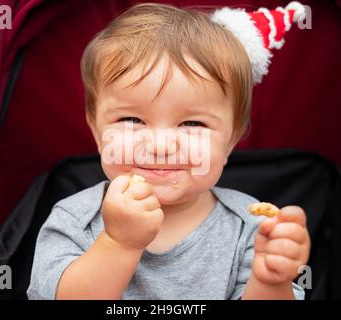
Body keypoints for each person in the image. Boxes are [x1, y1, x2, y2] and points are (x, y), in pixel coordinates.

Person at [27, 2, 310, 300]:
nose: (161, 146)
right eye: (132, 119)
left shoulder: (252, 229)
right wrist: (118, 244)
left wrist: (269, 283)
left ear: (230, 141)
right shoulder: (74, 219)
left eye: (191, 123)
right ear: (98, 131)